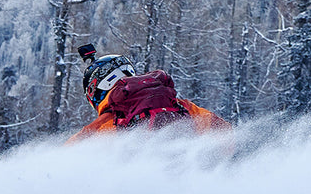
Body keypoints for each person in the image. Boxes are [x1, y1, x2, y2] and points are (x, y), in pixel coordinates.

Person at [68, 45, 230, 142]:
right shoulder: (181, 106)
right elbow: (223, 131)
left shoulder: (102, 126)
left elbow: (65, 165)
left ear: (96, 89)